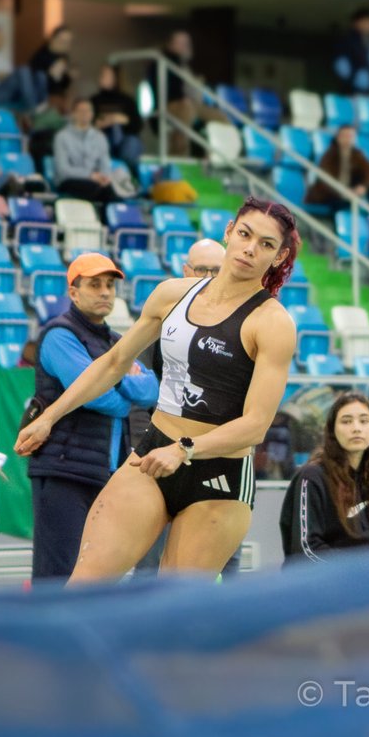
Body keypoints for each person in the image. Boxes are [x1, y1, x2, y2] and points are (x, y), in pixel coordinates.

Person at [15, 198, 300, 579]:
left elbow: (256, 425)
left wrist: (185, 449)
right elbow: (114, 362)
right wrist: (49, 417)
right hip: (153, 451)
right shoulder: (171, 295)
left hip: (220, 474)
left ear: (279, 256)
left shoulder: (273, 323)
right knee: (84, 585)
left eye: (266, 244)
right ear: (229, 232)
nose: (250, 249)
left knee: (172, 601)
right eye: (245, 234)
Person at [26, 253, 160, 581]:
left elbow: (152, 390)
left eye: (110, 286)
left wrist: (113, 376)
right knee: (58, 576)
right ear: (73, 293)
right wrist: (121, 382)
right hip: (64, 470)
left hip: (104, 472)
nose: (105, 292)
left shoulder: (115, 342)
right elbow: (97, 396)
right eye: (95, 285)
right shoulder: (59, 335)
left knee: (97, 578)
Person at [135, 238, 229, 579]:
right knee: (150, 562)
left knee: (217, 564)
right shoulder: (164, 321)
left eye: (216, 271)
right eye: (201, 270)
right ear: (186, 271)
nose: (208, 277)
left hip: (219, 461)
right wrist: (142, 449)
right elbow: (137, 391)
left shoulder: (245, 325)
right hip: (160, 459)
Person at [279, 392, 369, 563]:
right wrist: (354, 572)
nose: (356, 428)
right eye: (346, 421)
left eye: (364, 421)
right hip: (323, 578)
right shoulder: (311, 477)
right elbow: (307, 550)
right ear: (332, 431)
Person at [160, 30, 227, 157]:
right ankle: (176, 156)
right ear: (170, 45)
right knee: (187, 108)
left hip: (193, 103)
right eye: (181, 43)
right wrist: (182, 98)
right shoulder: (162, 63)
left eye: (187, 43)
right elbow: (168, 90)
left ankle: (218, 156)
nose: (185, 47)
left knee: (220, 116)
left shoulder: (186, 66)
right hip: (172, 104)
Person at [53, 100, 122, 205]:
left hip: (95, 182)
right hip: (70, 181)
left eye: (88, 111)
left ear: (92, 114)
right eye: (81, 111)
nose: (85, 114)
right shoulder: (62, 137)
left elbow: (105, 165)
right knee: (100, 191)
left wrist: (103, 177)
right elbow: (63, 170)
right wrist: (90, 175)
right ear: (73, 114)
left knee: (113, 190)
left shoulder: (100, 137)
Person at [304, 124, 369, 208]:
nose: (347, 139)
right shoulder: (329, 155)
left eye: (350, 136)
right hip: (328, 197)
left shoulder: (356, 154)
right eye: (345, 135)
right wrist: (344, 192)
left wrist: (363, 186)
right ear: (338, 137)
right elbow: (326, 180)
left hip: (347, 196)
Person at [90, 65, 144, 177]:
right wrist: (103, 122)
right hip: (102, 138)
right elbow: (88, 124)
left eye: (105, 75)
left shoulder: (127, 100)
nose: (101, 78)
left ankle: (130, 177)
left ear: (115, 78)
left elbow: (138, 125)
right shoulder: (94, 101)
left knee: (131, 143)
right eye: (101, 75)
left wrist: (120, 119)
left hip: (124, 140)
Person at [333, 7, 369, 95]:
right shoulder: (347, 41)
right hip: (353, 92)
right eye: (368, 22)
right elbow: (341, 66)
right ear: (357, 23)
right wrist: (350, 83)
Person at [28, 25, 74, 99]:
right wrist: (51, 75)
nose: (64, 45)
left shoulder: (64, 58)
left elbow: (63, 85)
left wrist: (68, 77)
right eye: (61, 41)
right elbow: (32, 80)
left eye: (67, 42)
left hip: (54, 95)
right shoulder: (41, 55)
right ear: (52, 38)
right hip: (37, 94)